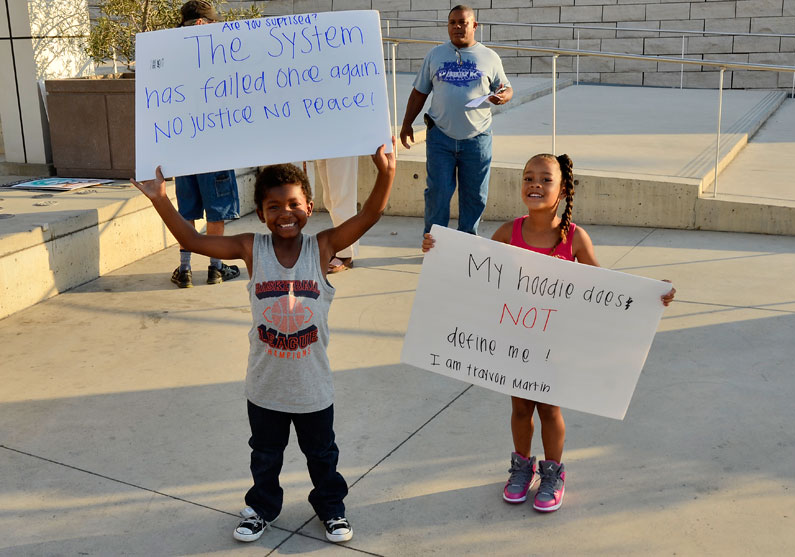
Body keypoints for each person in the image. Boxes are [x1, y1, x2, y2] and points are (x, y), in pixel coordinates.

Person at [130, 140, 396, 543]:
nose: (284, 214)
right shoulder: (250, 248)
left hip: (313, 389)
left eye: (293, 204)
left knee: (323, 456)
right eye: (274, 207)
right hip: (265, 387)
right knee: (265, 457)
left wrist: (387, 173)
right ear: (261, 214)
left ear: (309, 206)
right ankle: (262, 508)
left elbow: (371, 213)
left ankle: (331, 508)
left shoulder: (322, 247)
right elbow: (196, 241)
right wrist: (161, 200)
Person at [422, 153, 676, 513]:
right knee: (520, 407)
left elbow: (605, 289)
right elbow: (473, 267)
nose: (535, 184)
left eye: (545, 179)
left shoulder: (574, 238)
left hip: (554, 345)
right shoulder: (507, 232)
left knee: (549, 410)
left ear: (563, 191)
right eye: (528, 178)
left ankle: (553, 472)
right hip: (515, 340)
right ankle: (521, 468)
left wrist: (650, 295)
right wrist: (439, 251)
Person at [400, 4, 512, 236]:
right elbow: (419, 92)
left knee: (474, 195)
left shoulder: (489, 57)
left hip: (477, 139)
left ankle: (465, 243)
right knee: (438, 192)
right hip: (440, 137)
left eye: (463, 22)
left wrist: (503, 96)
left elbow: (506, 88)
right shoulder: (435, 55)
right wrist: (406, 124)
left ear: (474, 26)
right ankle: (434, 241)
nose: (458, 27)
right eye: (453, 22)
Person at [171, 0, 241, 288]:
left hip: (183, 146)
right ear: (202, 24)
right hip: (214, 147)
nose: (217, 27)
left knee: (187, 210)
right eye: (213, 22)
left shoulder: (169, 53)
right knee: (217, 210)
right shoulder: (219, 56)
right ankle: (215, 268)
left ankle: (185, 269)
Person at [314, 157, 359, 273]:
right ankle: (339, 247)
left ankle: (346, 253)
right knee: (329, 198)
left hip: (342, 141)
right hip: (325, 140)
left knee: (342, 194)